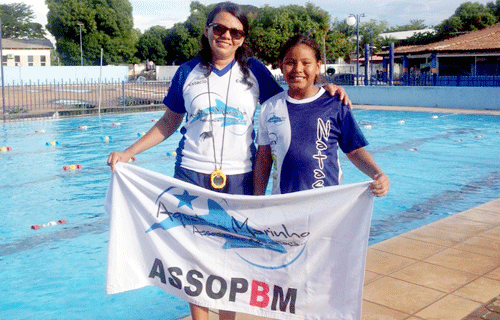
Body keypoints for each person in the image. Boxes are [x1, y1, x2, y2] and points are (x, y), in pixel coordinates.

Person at [107, 3, 352, 319]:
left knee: (230, 258)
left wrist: (325, 90)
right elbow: (169, 121)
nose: (226, 36)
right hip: (191, 174)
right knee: (195, 257)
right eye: (219, 28)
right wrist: (130, 152)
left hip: (239, 177)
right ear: (206, 30)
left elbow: (290, 98)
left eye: (235, 32)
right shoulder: (186, 71)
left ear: (242, 38)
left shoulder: (255, 72)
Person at [254, 34, 390, 197]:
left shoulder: (335, 103)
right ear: (280, 65)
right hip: (284, 203)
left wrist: (377, 174)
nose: (297, 69)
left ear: (318, 66)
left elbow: (354, 150)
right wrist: (258, 199)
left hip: (326, 204)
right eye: (290, 62)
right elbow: (264, 158)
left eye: (306, 63)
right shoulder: (269, 107)